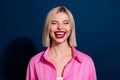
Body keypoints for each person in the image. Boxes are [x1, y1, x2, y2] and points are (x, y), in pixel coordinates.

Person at [26, 6, 97, 80]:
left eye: (65, 23)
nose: (60, 27)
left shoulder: (86, 62)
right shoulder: (34, 62)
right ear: (48, 27)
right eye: (54, 23)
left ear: (71, 28)